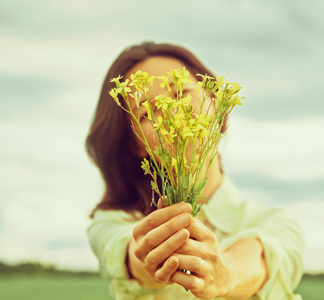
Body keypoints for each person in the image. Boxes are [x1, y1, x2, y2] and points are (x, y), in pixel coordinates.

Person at [86, 42, 304, 300]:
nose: (172, 114)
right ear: (135, 144)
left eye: (180, 94)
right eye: (148, 113)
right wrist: (151, 256)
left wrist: (224, 273)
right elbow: (129, 253)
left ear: (215, 101)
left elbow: (260, 261)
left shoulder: (277, 223)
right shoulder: (111, 222)